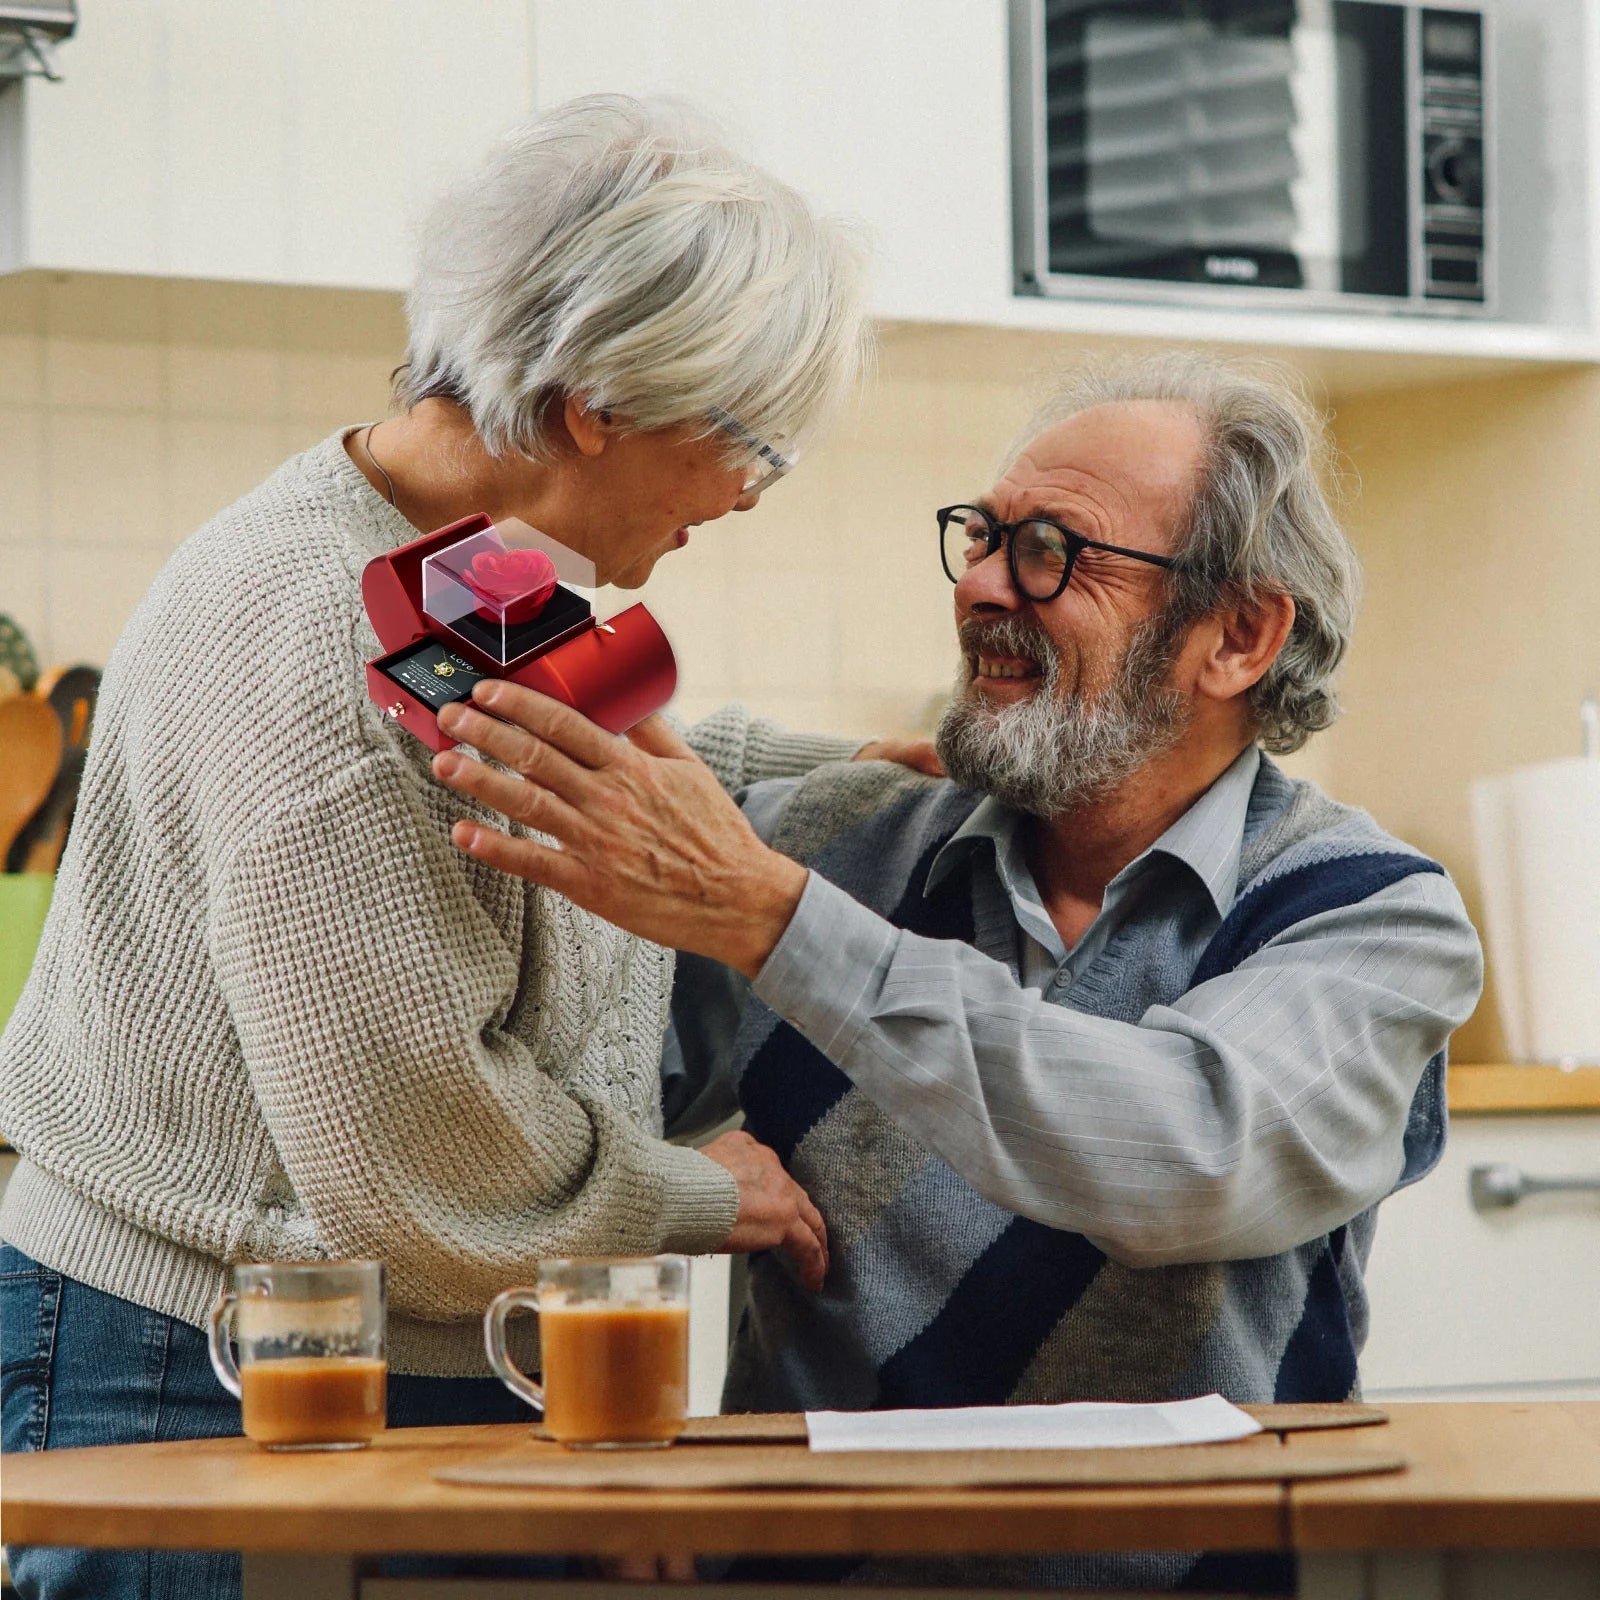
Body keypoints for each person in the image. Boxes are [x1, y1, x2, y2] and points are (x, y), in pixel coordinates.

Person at [0, 93, 896, 1600]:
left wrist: (861, 772)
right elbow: (419, 1157)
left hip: (381, 1339)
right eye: (745, 439)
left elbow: (613, 761)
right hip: (200, 1372)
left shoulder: (451, 555)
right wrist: (699, 1194)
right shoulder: (315, 637)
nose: (748, 489)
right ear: (595, 402)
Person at [429, 352, 1484, 1591]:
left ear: (1237, 635)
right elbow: (532, 1100)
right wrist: (657, 1186)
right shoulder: (824, 840)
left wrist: (780, 922)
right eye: (981, 536)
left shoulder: (1370, 913)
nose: (983, 584)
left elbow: (1185, 1150)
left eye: (1050, 550)